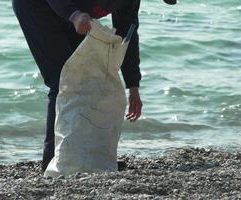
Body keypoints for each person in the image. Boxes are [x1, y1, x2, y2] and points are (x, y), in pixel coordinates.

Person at [12, 0, 176, 172]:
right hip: (37, 8)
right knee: (62, 80)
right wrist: (74, 15)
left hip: (75, 13)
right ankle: (53, 160)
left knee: (89, 76)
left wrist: (133, 86)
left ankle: (86, 159)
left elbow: (127, 35)